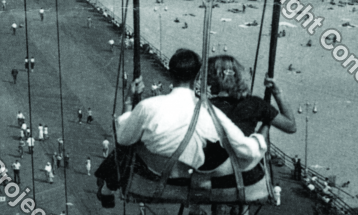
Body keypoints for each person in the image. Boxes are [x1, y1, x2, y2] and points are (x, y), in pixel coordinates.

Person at [115, 49, 269, 175]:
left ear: (170, 74)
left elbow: (123, 138)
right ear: (197, 77)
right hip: (186, 176)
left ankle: (108, 187)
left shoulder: (147, 106)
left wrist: (129, 101)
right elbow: (248, 150)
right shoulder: (210, 112)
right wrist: (261, 134)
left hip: (153, 171)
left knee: (137, 139)